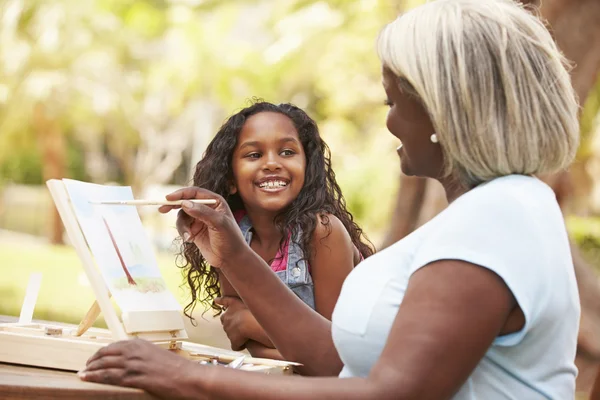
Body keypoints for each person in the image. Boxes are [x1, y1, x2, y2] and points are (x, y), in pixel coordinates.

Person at [78, 0, 581, 398]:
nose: (389, 122)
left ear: (441, 109)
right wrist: (233, 253)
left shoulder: (496, 219)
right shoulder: (495, 210)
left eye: (393, 101)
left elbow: (395, 394)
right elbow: (338, 363)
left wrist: (187, 378)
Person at [177, 101, 373, 360]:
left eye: (287, 152)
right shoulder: (232, 233)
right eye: (254, 155)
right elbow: (243, 341)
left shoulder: (323, 231)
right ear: (230, 179)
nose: (272, 163)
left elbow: (336, 356)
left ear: (307, 168)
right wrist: (256, 332)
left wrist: (250, 323)